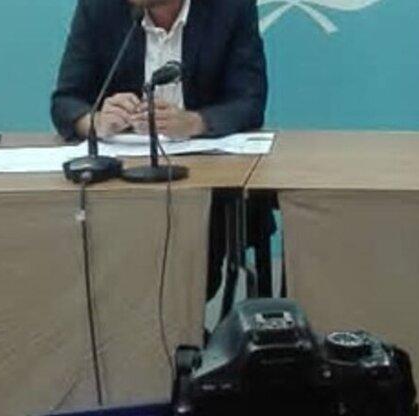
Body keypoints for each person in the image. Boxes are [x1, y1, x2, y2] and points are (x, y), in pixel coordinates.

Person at [51, 0, 271, 305]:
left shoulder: (230, 7)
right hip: (120, 187)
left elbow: (249, 102)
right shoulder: (99, 7)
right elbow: (65, 101)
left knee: (192, 279)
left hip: (203, 183)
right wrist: (96, 121)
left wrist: (195, 122)